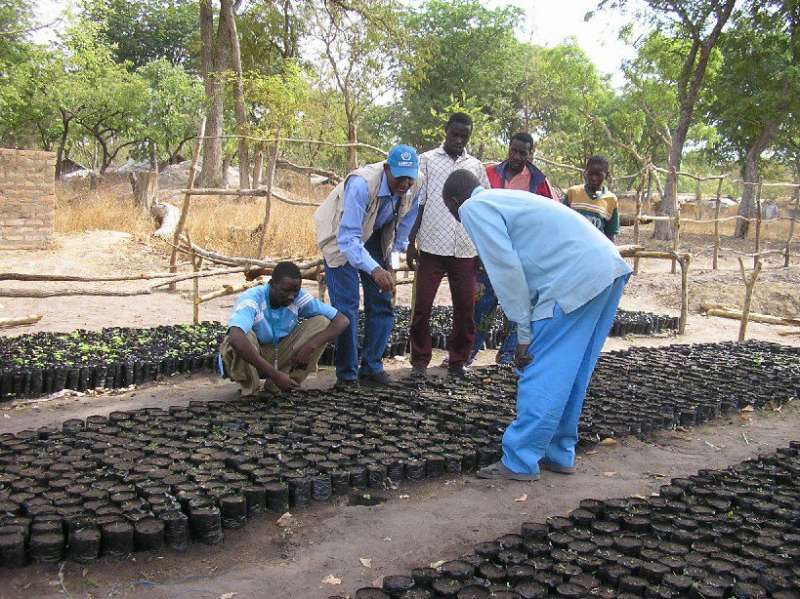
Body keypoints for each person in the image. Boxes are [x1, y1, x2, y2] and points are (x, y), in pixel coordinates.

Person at [441, 169, 632, 482]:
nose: (457, 218)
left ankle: (520, 459)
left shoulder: (473, 208)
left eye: (452, 212)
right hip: (607, 267)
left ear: (453, 202)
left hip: (575, 277)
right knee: (572, 371)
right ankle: (559, 452)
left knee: (541, 368)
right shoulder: (505, 199)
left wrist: (523, 333)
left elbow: (507, 271)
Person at [314, 144, 422, 387]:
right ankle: (347, 374)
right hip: (341, 234)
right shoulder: (362, 185)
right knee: (347, 307)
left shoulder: (417, 185)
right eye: (399, 177)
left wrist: (390, 264)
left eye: (409, 177)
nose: (405, 183)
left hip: (376, 235)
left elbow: (402, 230)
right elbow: (349, 239)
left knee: (382, 301)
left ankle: (372, 366)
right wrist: (374, 269)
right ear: (386, 169)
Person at [407, 113, 490, 379]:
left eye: (464, 136)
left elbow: (482, 207)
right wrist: (411, 241)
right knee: (422, 307)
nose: (458, 140)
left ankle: (458, 361)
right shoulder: (427, 161)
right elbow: (418, 203)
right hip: (431, 245)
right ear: (446, 131)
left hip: (465, 248)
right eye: (454, 134)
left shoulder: (476, 166)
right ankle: (419, 360)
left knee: (466, 309)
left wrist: (482, 248)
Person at [471, 132, 557, 365]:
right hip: (490, 253)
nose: (517, 156)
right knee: (482, 305)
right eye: (514, 150)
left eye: (523, 152)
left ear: (531, 154)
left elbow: (550, 216)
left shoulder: (539, 182)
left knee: (518, 306)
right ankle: (469, 352)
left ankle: (508, 354)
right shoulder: (488, 174)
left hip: (522, 255)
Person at [219, 261, 349, 396]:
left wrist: (310, 346)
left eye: (295, 291)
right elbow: (235, 338)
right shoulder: (252, 299)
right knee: (242, 334)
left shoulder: (298, 297)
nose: (291, 296)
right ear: (272, 284)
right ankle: (251, 389)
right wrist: (274, 374)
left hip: (277, 353)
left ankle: (285, 384)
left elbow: (342, 320)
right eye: (286, 291)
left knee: (322, 322)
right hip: (252, 357)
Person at [563, 155, 620, 241]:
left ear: (607, 175)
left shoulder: (611, 200)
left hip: (596, 249)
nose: (594, 178)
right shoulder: (573, 193)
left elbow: (610, 234)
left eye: (598, 175)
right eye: (591, 173)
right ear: (585, 172)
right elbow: (562, 222)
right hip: (572, 246)